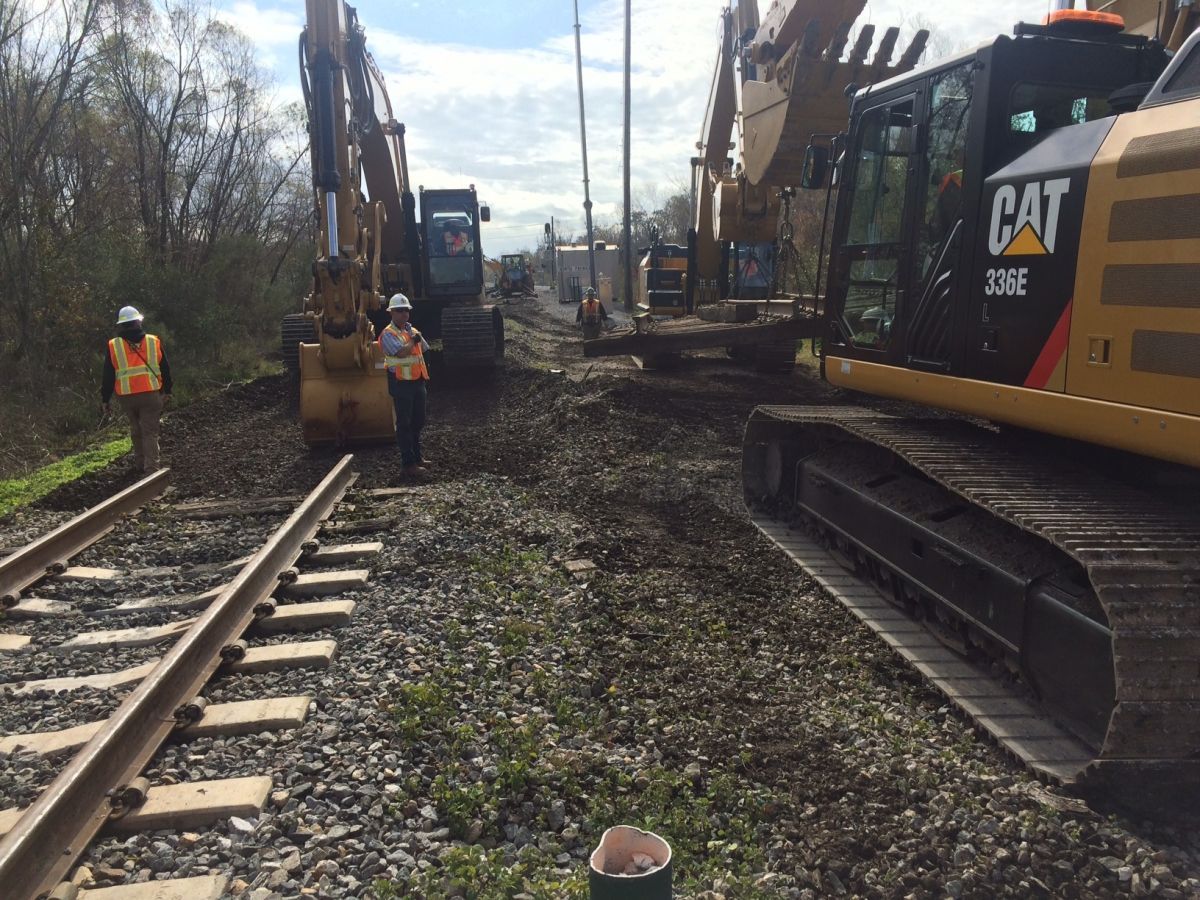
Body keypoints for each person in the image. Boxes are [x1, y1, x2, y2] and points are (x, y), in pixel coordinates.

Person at [101, 306, 172, 473]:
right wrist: (168, 390)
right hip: (150, 394)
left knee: (136, 430)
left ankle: (140, 464)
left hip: (126, 396)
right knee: (150, 432)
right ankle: (151, 469)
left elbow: (108, 375)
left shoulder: (113, 345)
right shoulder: (153, 341)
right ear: (138, 322)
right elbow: (165, 368)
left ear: (121, 325)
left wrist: (105, 399)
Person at [379, 293, 431, 475]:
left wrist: (415, 337)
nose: (404, 314)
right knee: (405, 424)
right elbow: (400, 353)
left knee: (418, 421)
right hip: (401, 384)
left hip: (417, 381)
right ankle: (408, 464)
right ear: (392, 312)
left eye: (406, 311)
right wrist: (413, 340)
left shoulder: (412, 331)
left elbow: (424, 348)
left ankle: (417, 458)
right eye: (400, 311)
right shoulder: (387, 334)